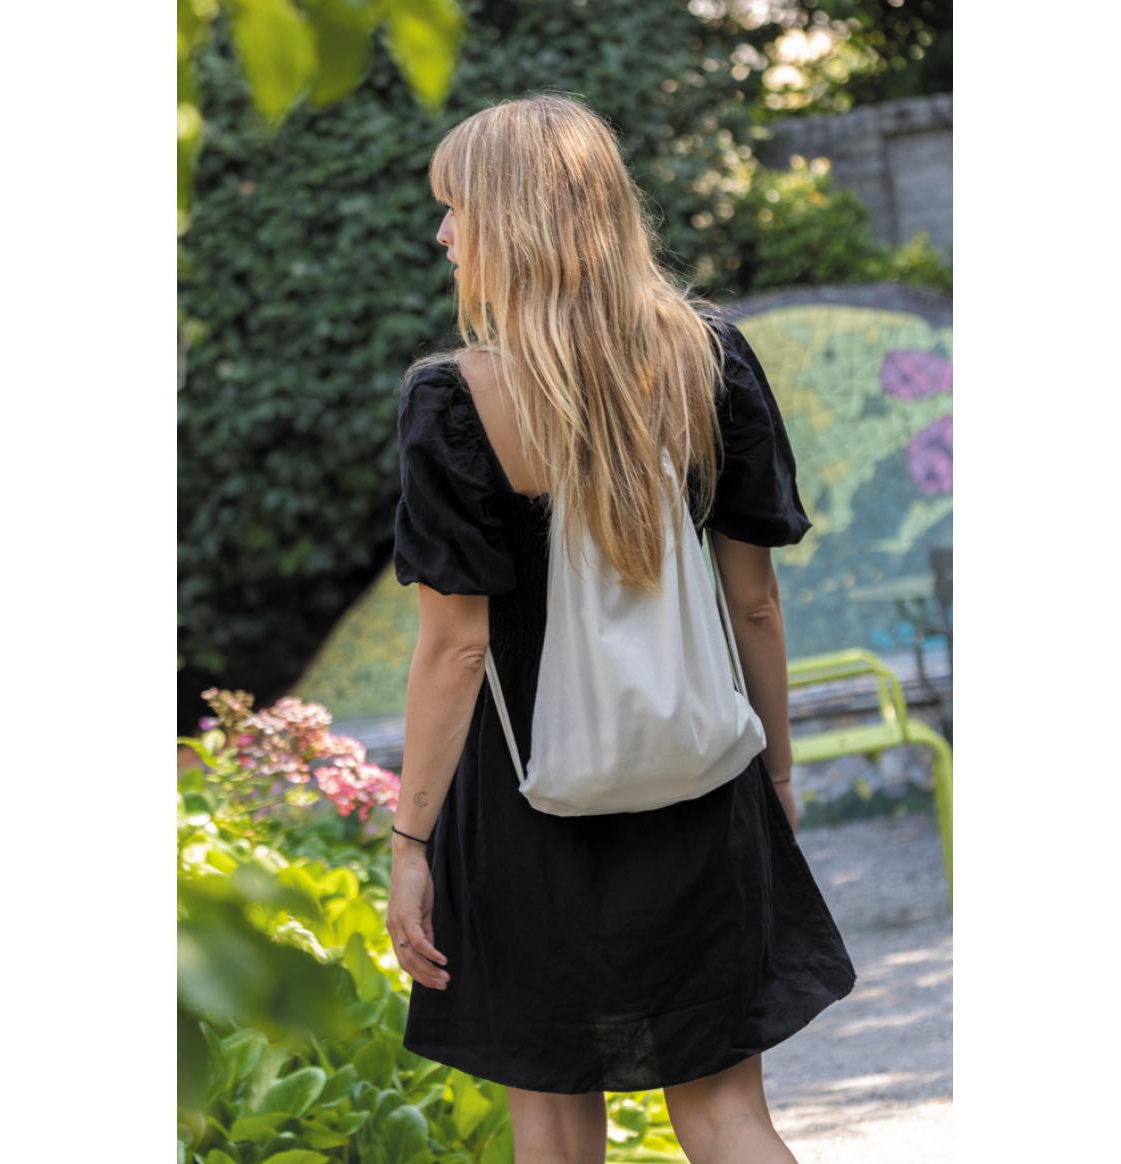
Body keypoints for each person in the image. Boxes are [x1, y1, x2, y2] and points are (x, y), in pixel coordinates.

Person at [387, 93, 856, 1164]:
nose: (444, 234)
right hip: (702, 776)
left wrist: (410, 843)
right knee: (729, 1117)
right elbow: (754, 602)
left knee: (553, 1132)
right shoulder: (707, 357)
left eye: (457, 209)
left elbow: (457, 648)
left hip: (521, 803)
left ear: (515, 222)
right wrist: (776, 770)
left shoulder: (455, 400)